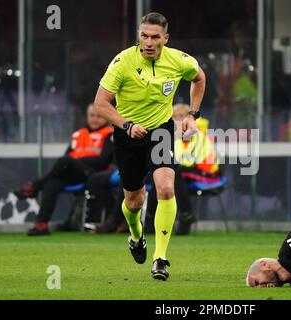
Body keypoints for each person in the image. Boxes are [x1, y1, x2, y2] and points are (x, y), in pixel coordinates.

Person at [94, 12, 206, 281]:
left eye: (155, 37)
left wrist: (192, 114)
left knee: (166, 188)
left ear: (165, 39)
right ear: (138, 36)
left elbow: (199, 78)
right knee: (134, 202)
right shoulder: (122, 63)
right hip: (127, 135)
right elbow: (101, 104)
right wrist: (127, 125)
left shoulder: (179, 60)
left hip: (160, 131)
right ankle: (136, 236)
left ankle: (161, 258)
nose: (148, 42)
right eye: (144, 35)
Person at [14, 104, 114, 236]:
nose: (95, 119)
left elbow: (103, 161)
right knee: (52, 183)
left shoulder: (109, 134)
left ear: (106, 117)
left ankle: (35, 185)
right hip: (74, 173)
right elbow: (68, 156)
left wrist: (77, 161)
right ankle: (41, 224)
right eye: (92, 115)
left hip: (93, 174)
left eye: (99, 116)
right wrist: (73, 162)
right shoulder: (78, 134)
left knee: (64, 161)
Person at [144, 103, 221, 235]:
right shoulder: (169, 136)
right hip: (181, 172)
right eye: (174, 116)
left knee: (170, 173)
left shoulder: (199, 136)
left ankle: (151, 218)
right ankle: (186, 215)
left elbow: (201, 159)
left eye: (181, 116)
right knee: (165, 173)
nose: (177, 119)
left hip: (203, 172)